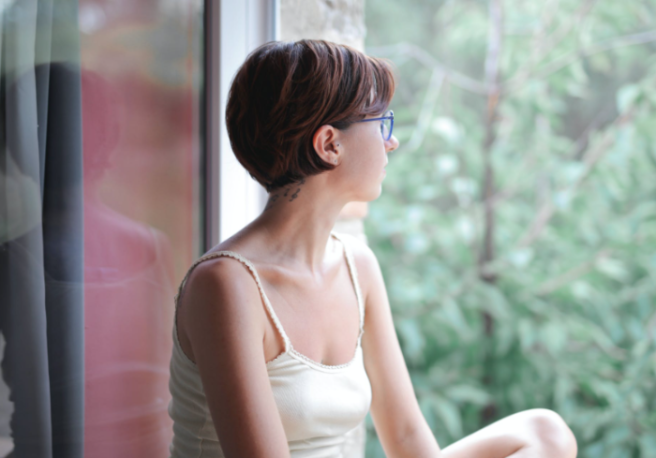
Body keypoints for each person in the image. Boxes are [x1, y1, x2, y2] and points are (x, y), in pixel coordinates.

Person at [167, 39, 578, 458]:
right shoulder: (224, 285)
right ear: (330, 144)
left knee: (544, 433)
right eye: (382, 123)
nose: (392, 142)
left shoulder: (356, 266)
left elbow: (406, 438)